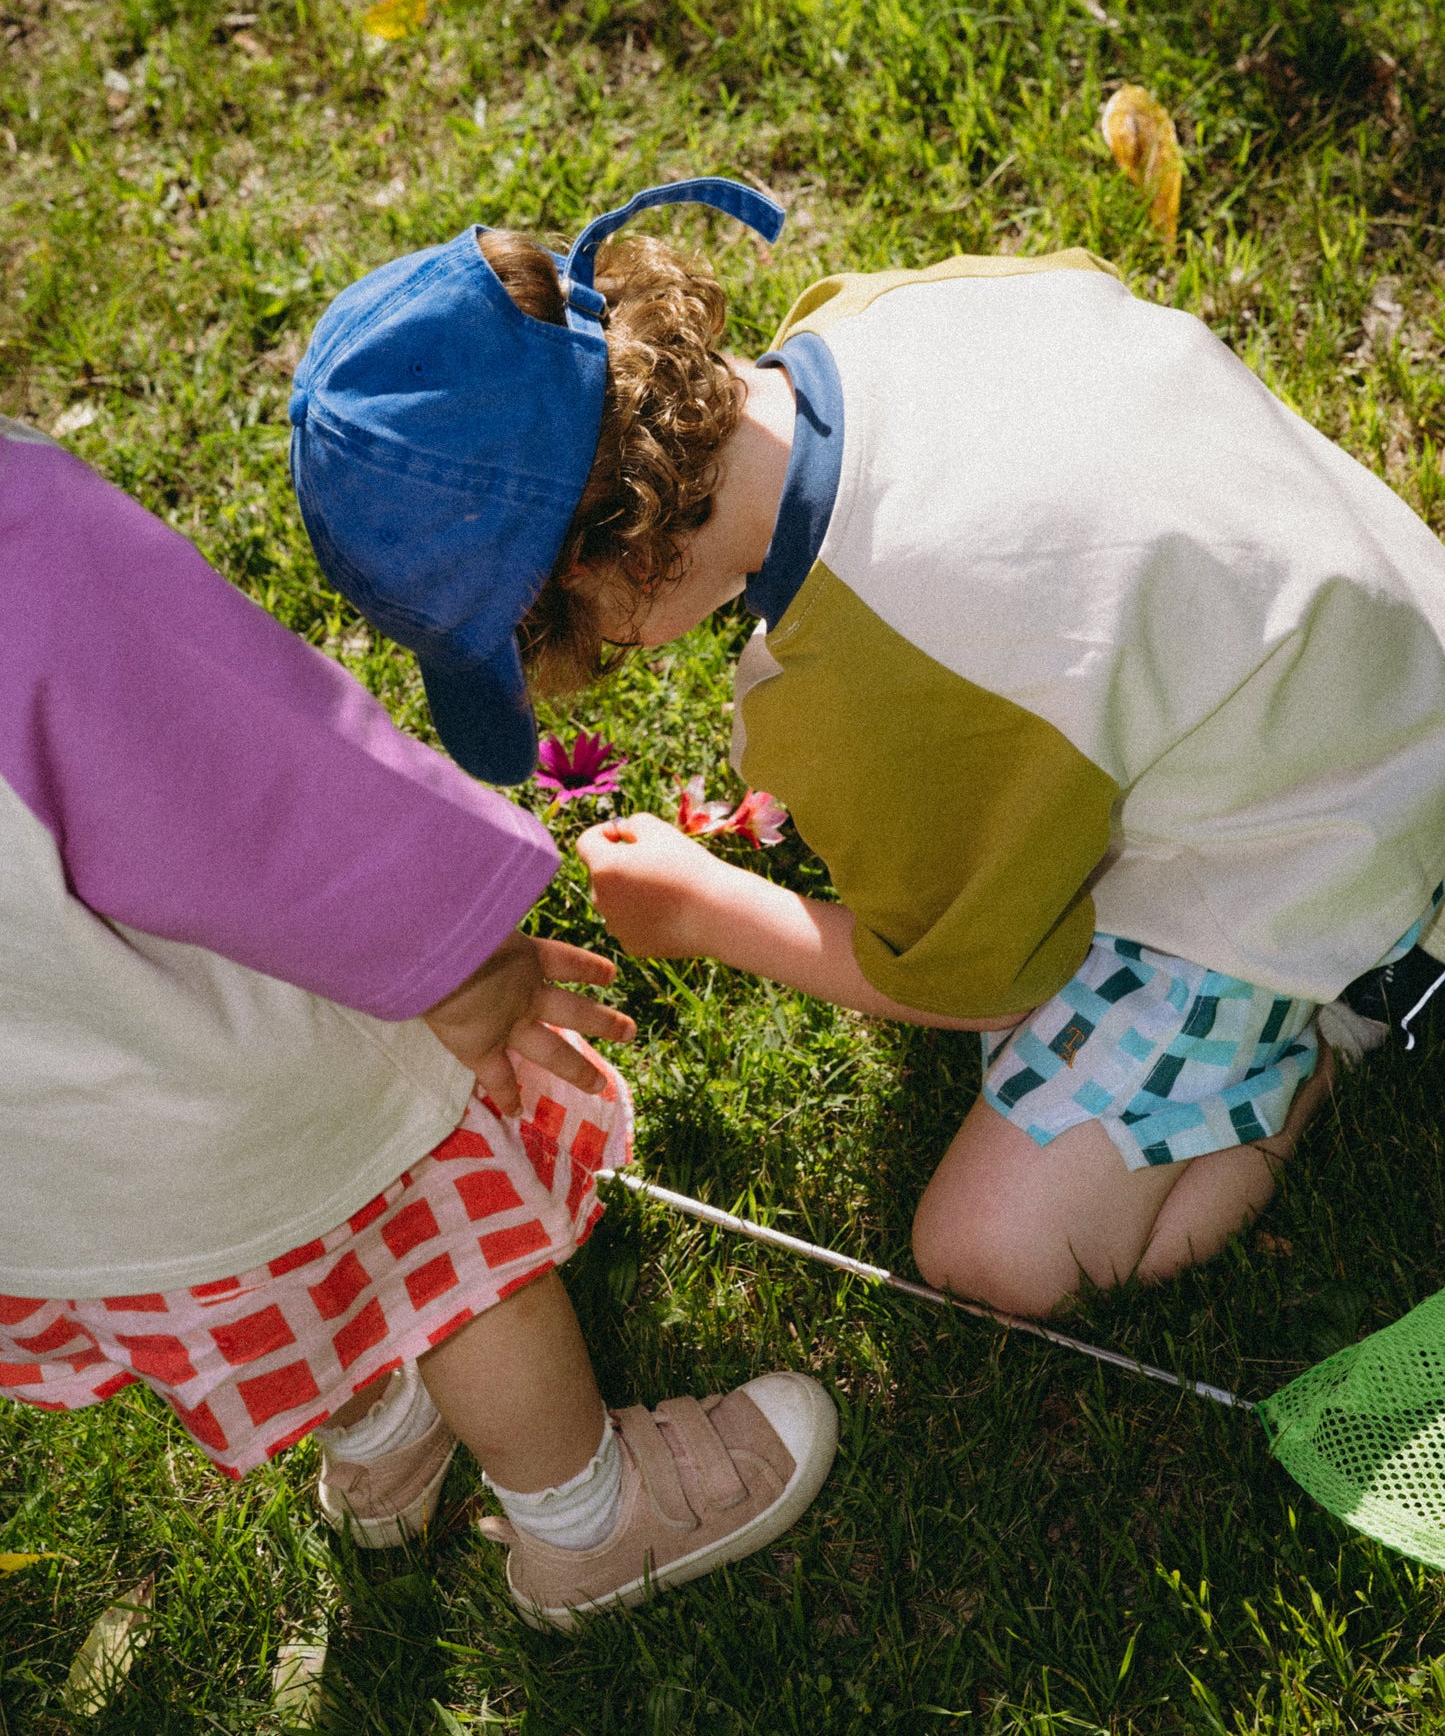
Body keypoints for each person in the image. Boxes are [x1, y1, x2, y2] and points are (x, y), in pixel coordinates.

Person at [285, 178, 1445, 1335]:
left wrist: (701, 909)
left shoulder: (874, 685)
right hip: (1378, 634)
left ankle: (1310, 1037)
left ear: (606, 566)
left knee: (989, 1252)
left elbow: (970, 981)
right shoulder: (865, 320)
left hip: (1341, 837)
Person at [0, 407, 837, 1634]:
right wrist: (453, 959)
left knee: (275, 1280)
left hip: (51, 1183)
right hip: (242, 1091)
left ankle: (385, 1437)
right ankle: (590, 1524)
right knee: (454, 1272)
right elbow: (251, 784)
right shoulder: (21, 558)